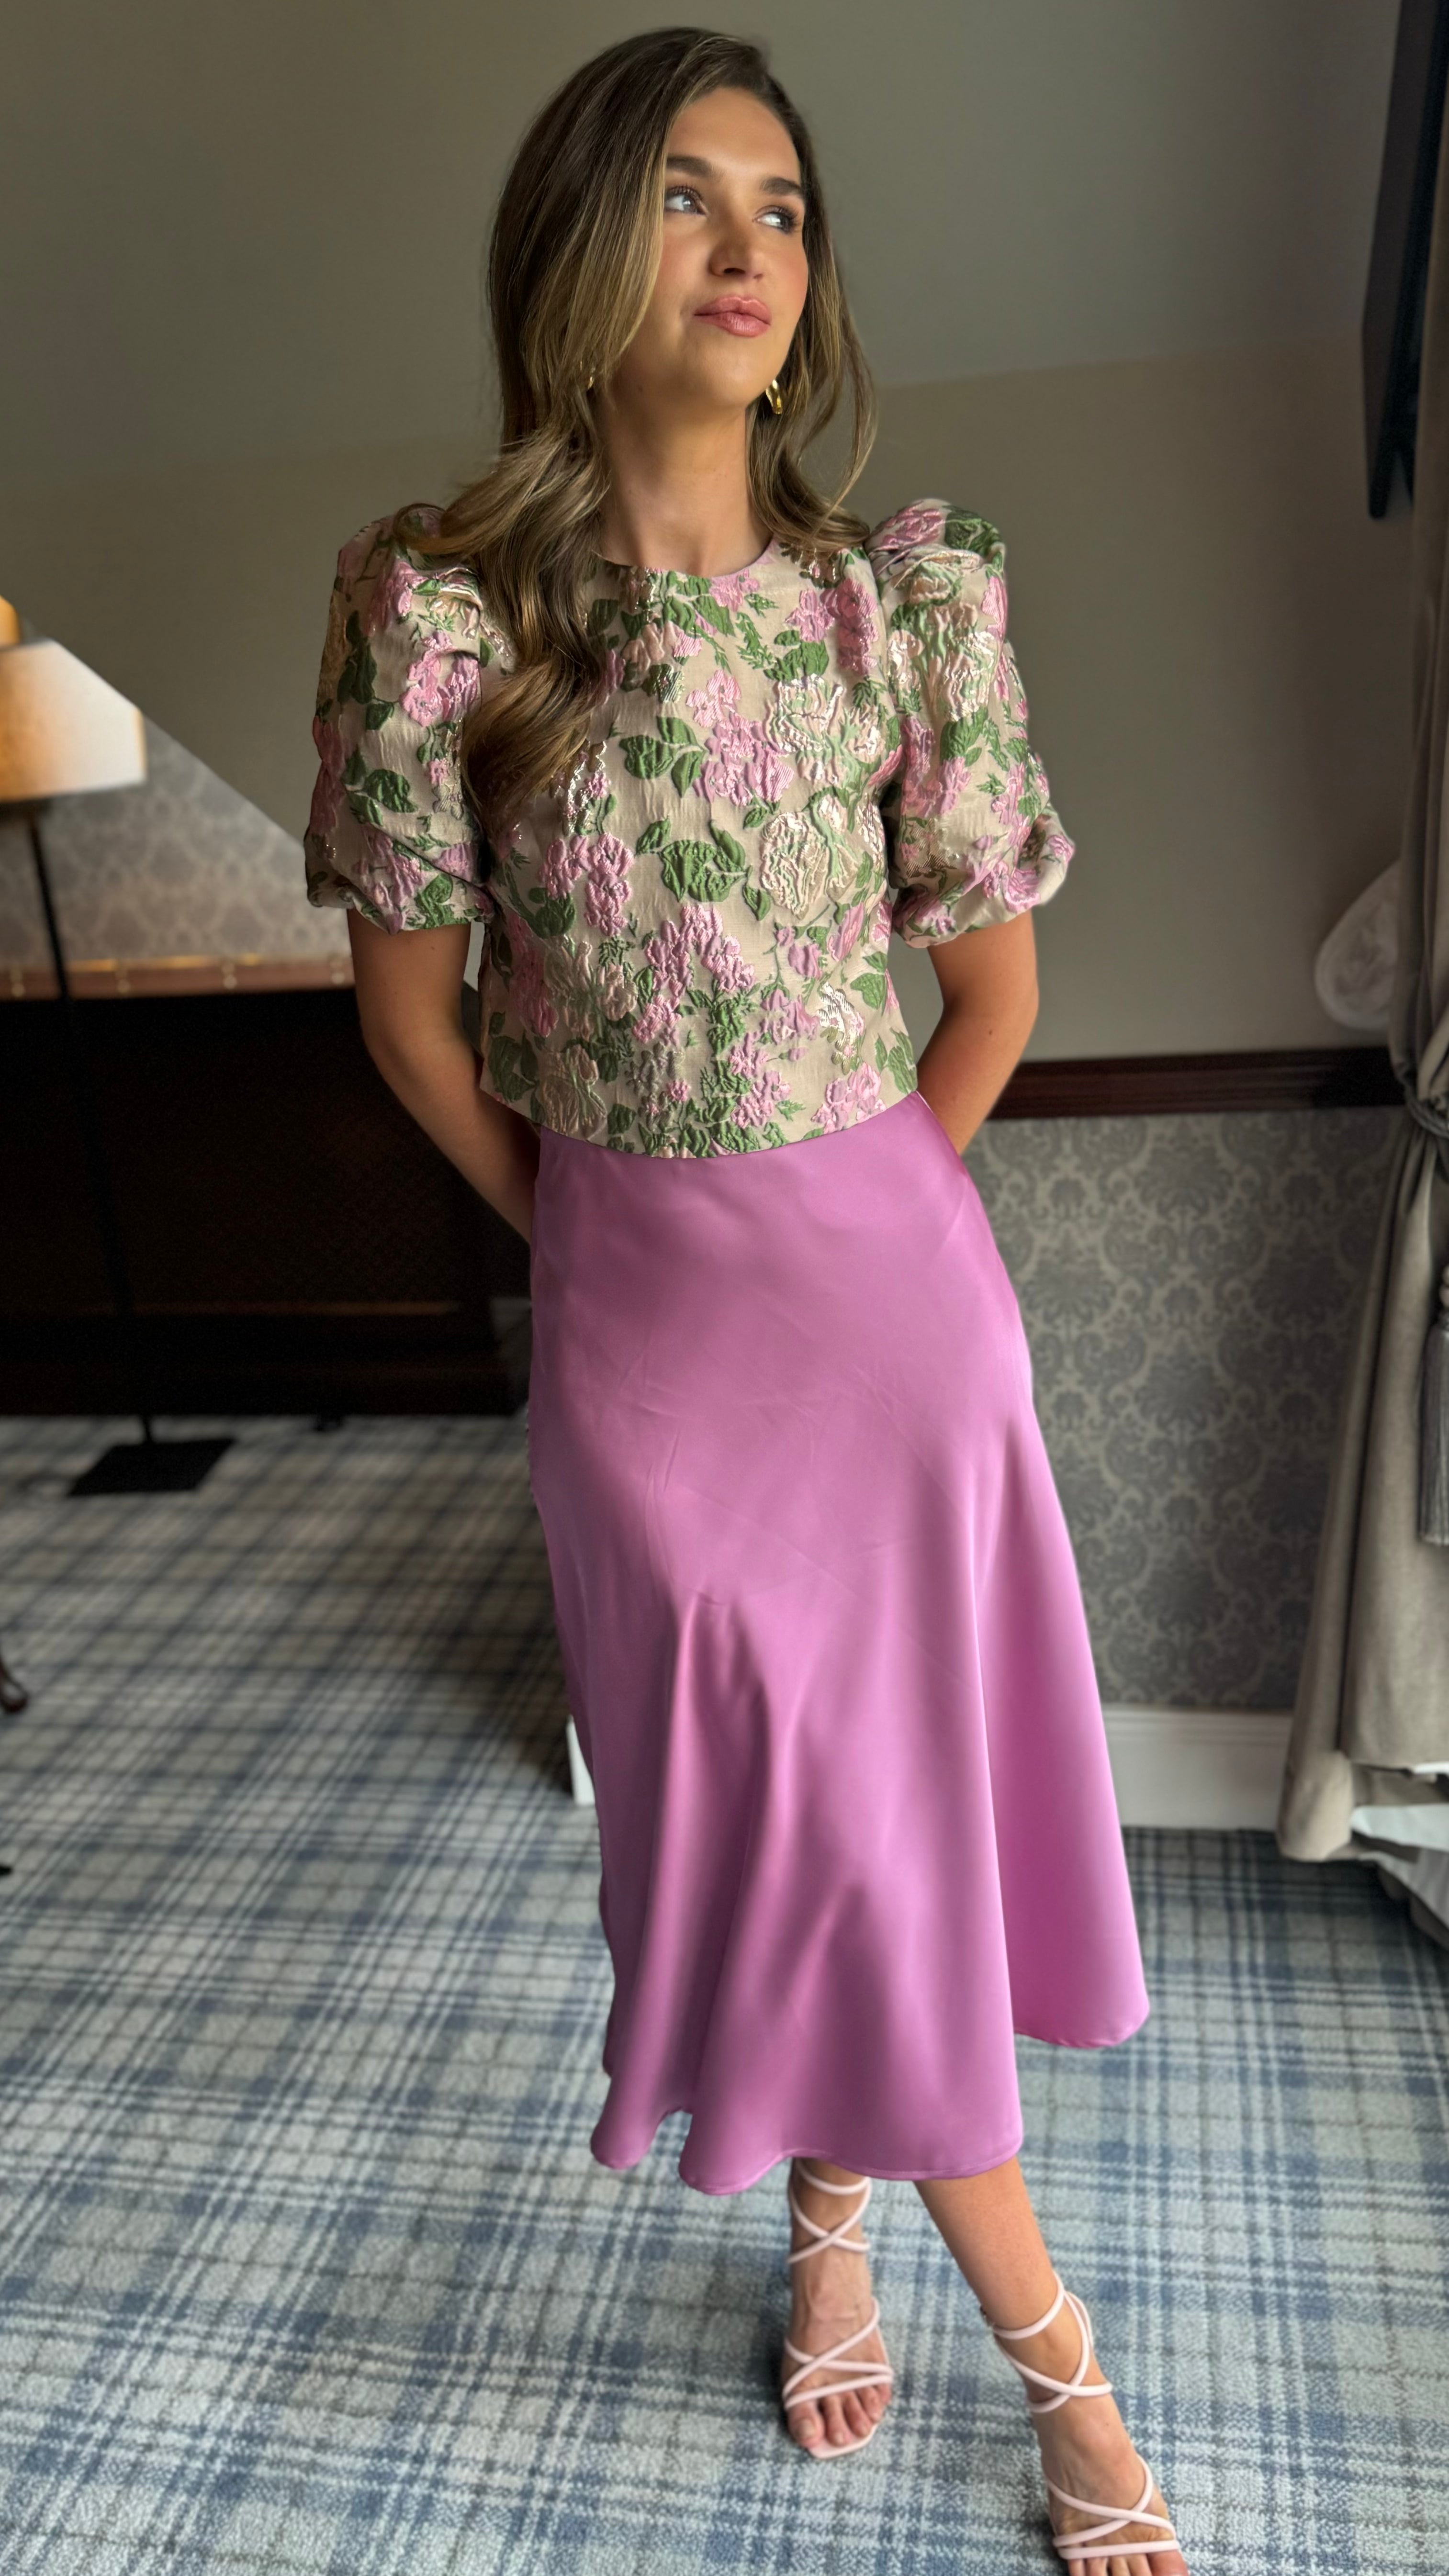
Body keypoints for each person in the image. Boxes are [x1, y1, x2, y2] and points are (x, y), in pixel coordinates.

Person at [302, 28, 1186, 2572]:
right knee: (800, 1836)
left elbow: (991, 997)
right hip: (646, 1347)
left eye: (781, 208)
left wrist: (857, 1218)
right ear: (581, 249)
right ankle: (1004, 2326)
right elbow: (410, 1024)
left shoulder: (897, 597)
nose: (745, 249)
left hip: (899, 1325)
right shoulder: (438, 611)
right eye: (685, 197)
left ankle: (921, 2286)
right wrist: (611, 1237)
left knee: (880, 1840)